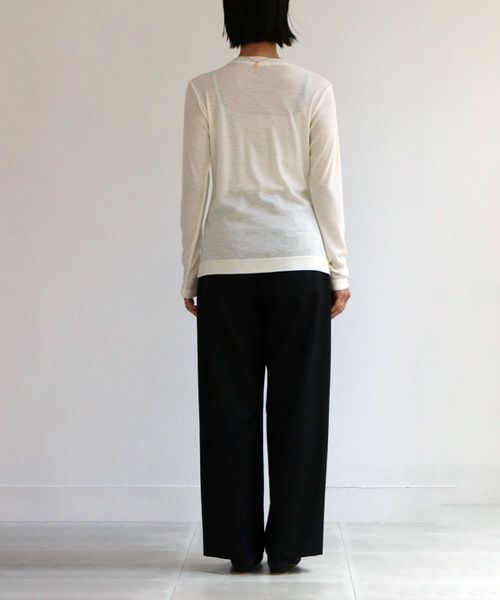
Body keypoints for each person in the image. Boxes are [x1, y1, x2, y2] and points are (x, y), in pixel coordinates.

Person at [179, 0, 351, 575]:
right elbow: (325, 186)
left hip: (226, 268)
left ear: (231, 15)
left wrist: (191, 269)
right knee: (300, 409)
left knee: (229, 409)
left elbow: (195, 187)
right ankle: (290, 544)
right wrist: (339, 269)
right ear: (282, 13)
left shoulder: (205, 89)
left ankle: (238, 545)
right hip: (300, 265)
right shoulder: (313, 89)